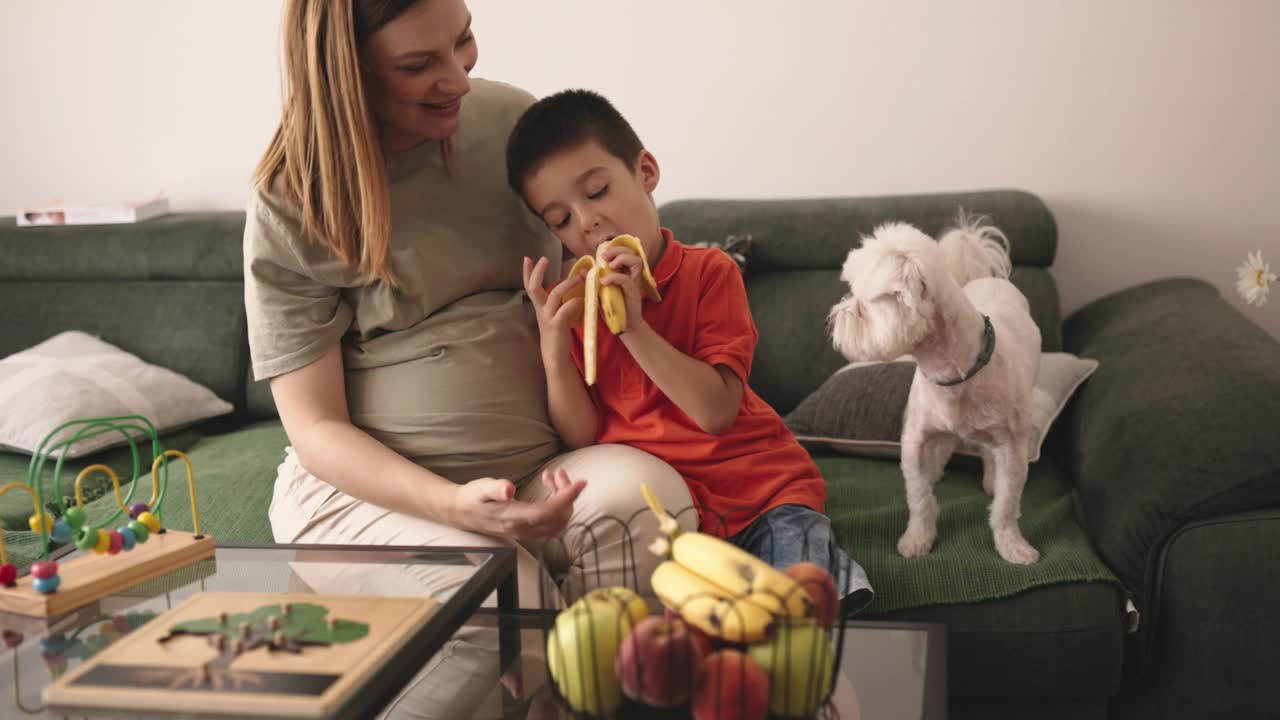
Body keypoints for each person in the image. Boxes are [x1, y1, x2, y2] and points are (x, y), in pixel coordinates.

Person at [243, 2, 694, 716]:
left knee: (649, 502)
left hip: (531, 467)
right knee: (495, 593)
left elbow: (608, 246)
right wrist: (453, 507)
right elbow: (316, 428)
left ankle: (572, 703)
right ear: (346, 71)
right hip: (370, 494)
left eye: (463, 42)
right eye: (419, 66)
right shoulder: (294, 198)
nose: (458, 79)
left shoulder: (512, 126)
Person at [507, 89, 873, 613]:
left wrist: (634, 329)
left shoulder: (710, 273)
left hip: (761, 496)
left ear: (647, 172)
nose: (585, 223)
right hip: (669, 516)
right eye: (560, 220)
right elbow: (581, 433)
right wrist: (552, 345)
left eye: (598, 191)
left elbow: (716, 411)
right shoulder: (579, 304)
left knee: (802, 603)